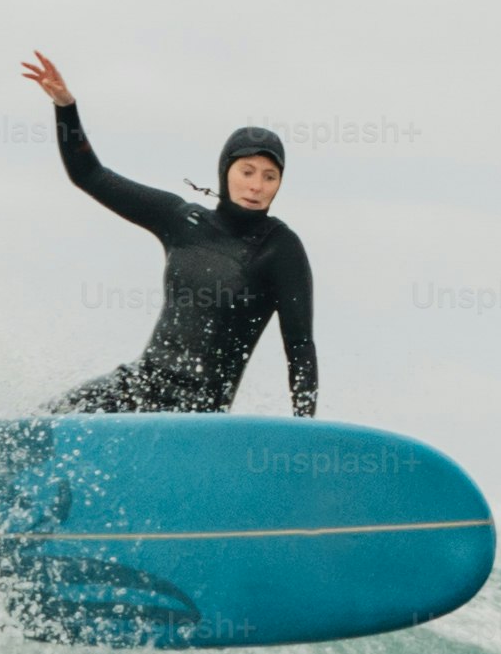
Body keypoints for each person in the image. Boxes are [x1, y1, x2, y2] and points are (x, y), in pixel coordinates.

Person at [20, 51, 316, 417]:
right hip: (138, 385)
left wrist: (305, 427)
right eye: (247, 171)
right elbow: (89, 175)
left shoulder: (280, 248)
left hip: (197, 412)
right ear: (226, 171)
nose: (256, 185)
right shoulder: (182, 221)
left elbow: (299, 345)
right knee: (43, 422)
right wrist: (66, 108)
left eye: (269, 176)